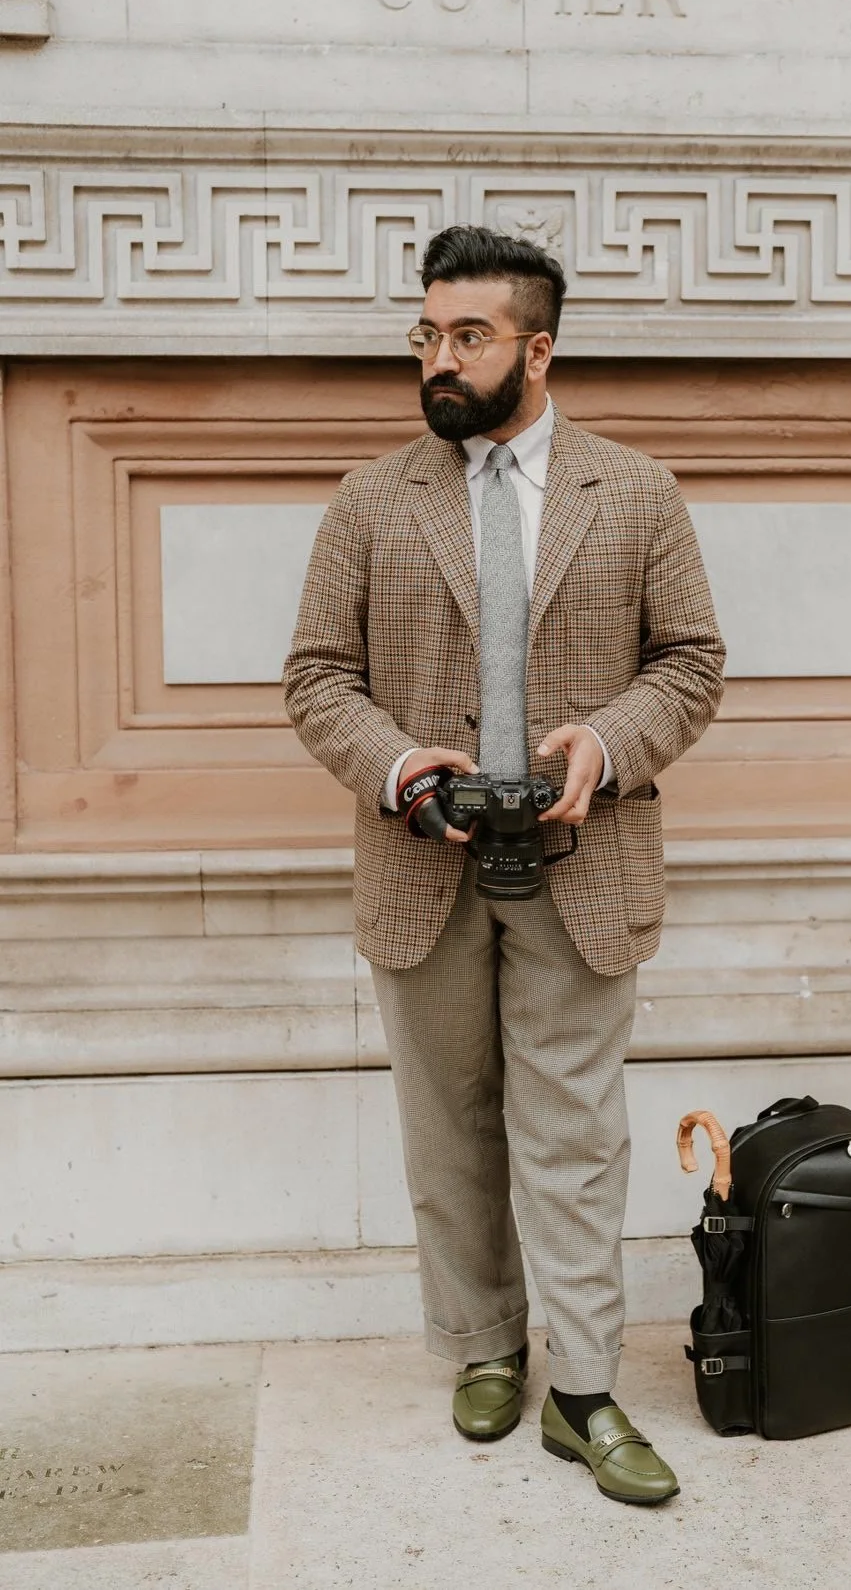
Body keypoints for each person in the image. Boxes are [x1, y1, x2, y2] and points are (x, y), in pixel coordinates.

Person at [284, 225, 725, 1505]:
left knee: (575, 1133)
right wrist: (400, 767)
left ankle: (582, 1388)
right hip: (418, 864)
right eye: (426, 333)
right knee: (448, 1130)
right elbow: (318, 676)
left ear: (537, 348)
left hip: (586, 863)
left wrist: (608, 741)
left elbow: (690, 662)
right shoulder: (374, 499)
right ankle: (482, 1343)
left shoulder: (635, 493)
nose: (437, 356)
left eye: (465, 335)